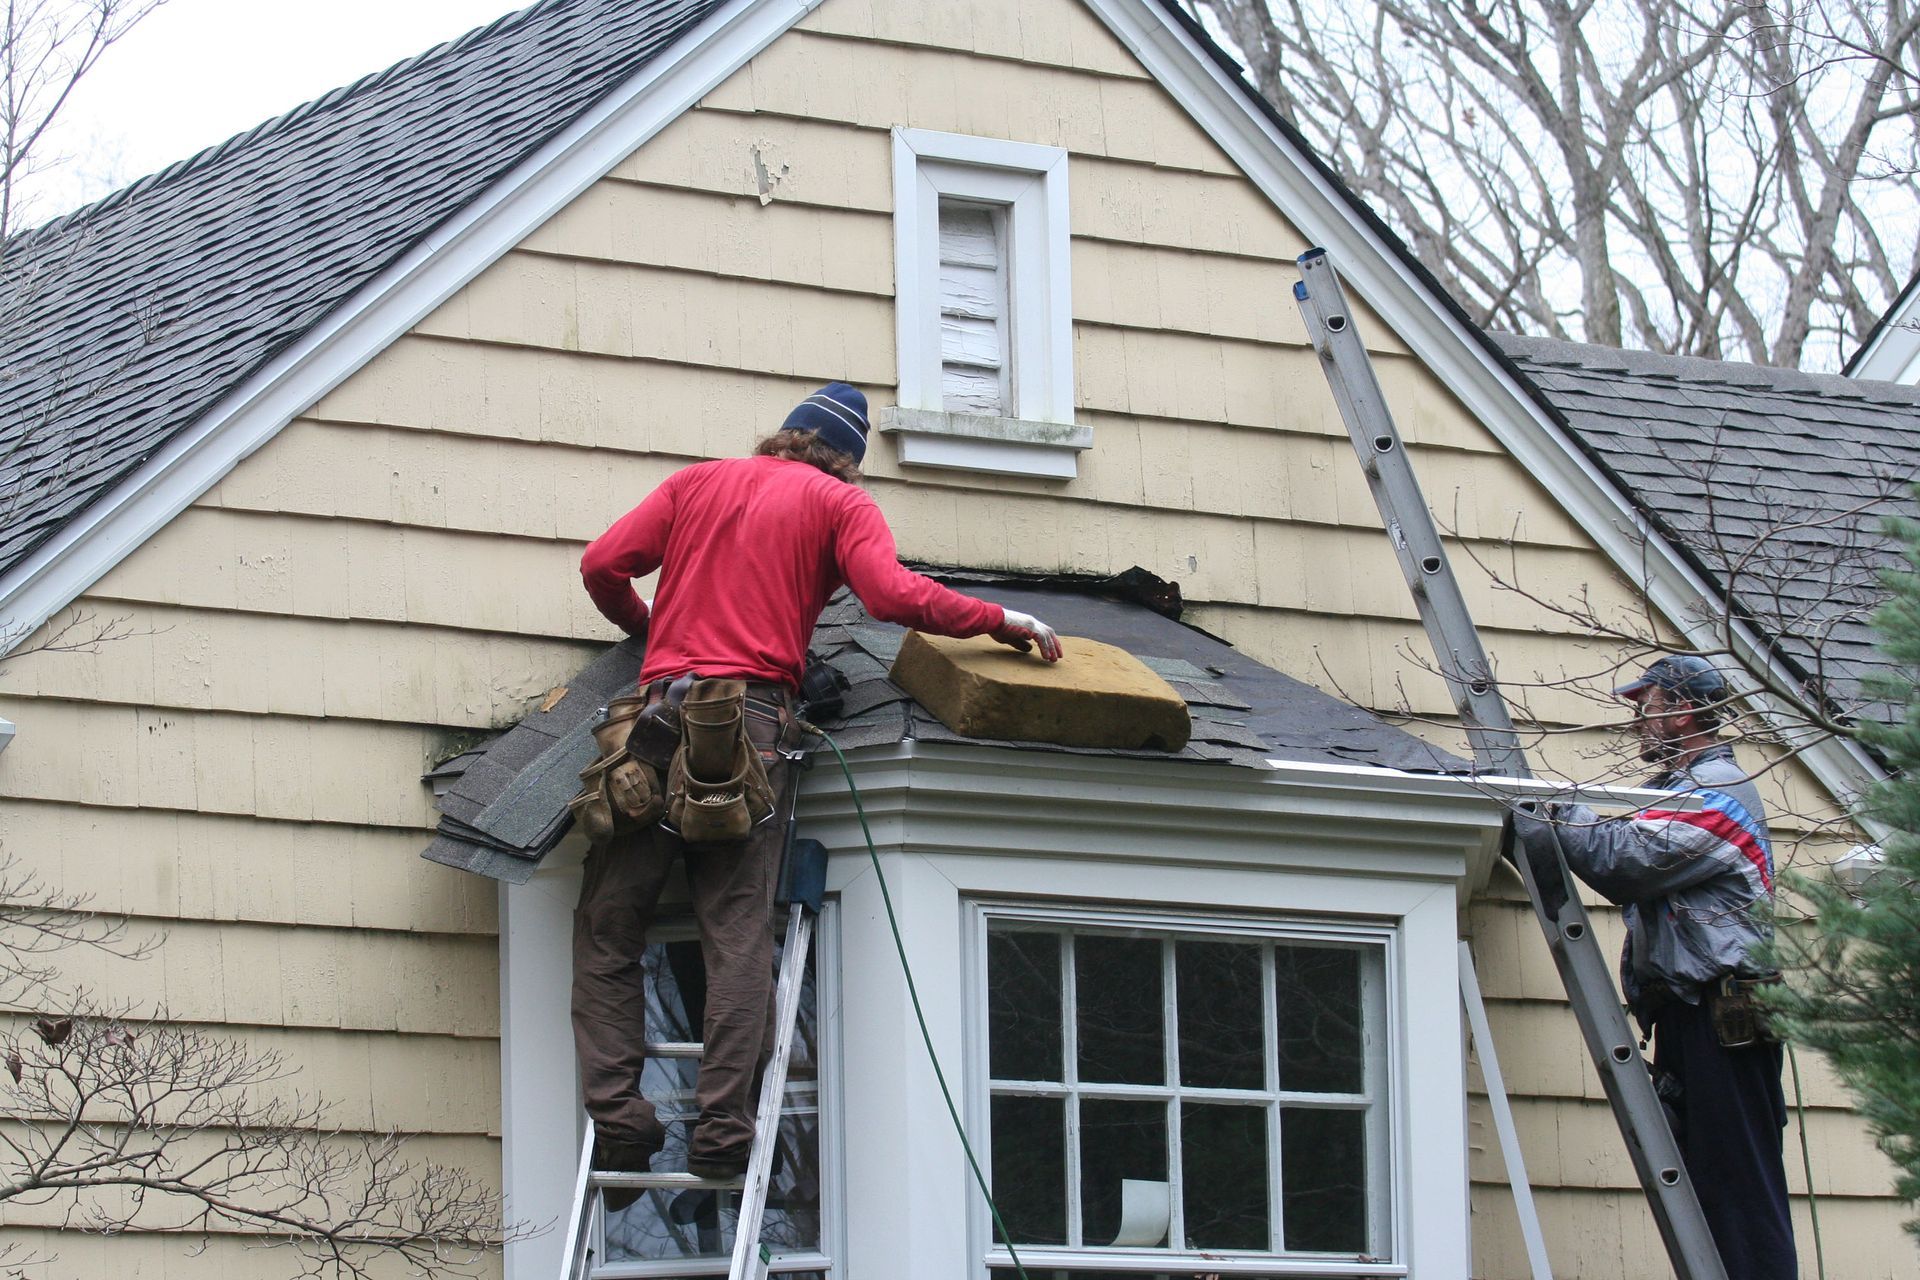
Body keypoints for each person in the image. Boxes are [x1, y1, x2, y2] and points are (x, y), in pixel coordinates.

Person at [573, 382, 1062, 1184]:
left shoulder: (697, 482)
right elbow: (889, 595)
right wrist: (1002, 620)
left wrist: (652, 629)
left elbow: (601, 565)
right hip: (746, 726)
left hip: (652, 718)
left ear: (784, 437)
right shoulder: (839, 504)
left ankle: (621, 1122)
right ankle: (724, 1132)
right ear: (848, 460)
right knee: (735, 931)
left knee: (608, 929)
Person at [1509, 655, 1796, 1279]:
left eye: (1649, 708)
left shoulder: (1717, 792)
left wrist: (1550, 805)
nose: (1639, 722)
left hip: (1724, 1020)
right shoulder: (1676, 793)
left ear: (1682, 711)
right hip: (1694, 1017)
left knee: (1738, 1194)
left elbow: (1622, 859)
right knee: (1709, 1192)